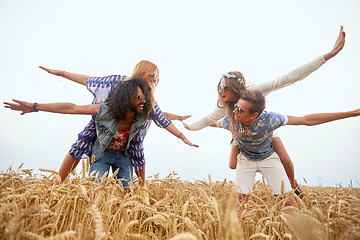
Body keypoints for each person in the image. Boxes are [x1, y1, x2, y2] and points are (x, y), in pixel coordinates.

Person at [184, 26, 346, 192]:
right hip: (240, 131)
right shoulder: (224, 108)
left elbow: (287, 79)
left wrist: (328, 55)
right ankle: (248, 161)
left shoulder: (256, 93)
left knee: (286, 161)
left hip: (262, 128)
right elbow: (208, 120)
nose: (221, 91)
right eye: (220, 87)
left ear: (234, 88)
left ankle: (292, 185)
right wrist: (189, 127)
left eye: (225, 88)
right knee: (233, 164)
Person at [38, 60, 197, 187]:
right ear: (143, 72)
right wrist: (62, 73)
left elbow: (161, 117)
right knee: (81, 144)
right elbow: (89, 81)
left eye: (158, 77)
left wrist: (180, 130)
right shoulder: (117, 82)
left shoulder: (148, 99)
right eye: (154, 75)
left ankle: (141, 191)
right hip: (103, 122)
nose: (156, 79)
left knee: (137, 152)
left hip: (128, 138)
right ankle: (56, 186)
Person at [215, 90, 359, 202]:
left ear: (254, 115)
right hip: (246, 158)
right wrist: (191, 126)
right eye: (235, 107)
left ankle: (292, 183)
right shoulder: (231, 121)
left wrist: (351, 113)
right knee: (240, 202)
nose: (234, 111)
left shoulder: (271, 119)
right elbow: (211, 121)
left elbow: (307, 120)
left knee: (288, 201)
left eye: (240, 110)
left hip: (267, 157)